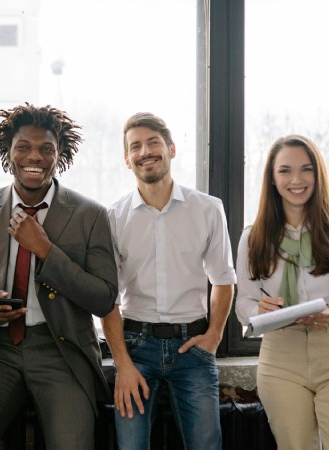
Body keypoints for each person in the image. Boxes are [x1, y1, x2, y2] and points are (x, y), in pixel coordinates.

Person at [0, 103, 118, 450]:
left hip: (62, 351)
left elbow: (103, 297)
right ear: (8, 153)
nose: (34, 157)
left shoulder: (91, 215)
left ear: (60, 154)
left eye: (46, 149)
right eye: (23, 146)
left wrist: (46, 251)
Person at [101, 112, 237, 449]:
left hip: (192, 347)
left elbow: (223, 280)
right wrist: (122, 363)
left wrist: (214, 337)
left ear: (172, 149)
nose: (145, 151)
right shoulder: (113, 217)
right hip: (135, 347)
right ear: (127, 159)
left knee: (207, 443)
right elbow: (108, 299)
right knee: (131, 445)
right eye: (136, 146)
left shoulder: (208, 209)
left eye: (153, 142)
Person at [235, 135, 329, 450]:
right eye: (285, 170)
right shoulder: (253, 236)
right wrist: (259, 311)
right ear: (272, 178)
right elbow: (243, 301)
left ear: (319, 175)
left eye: (306, 169)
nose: (296, 180)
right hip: (280, 358)